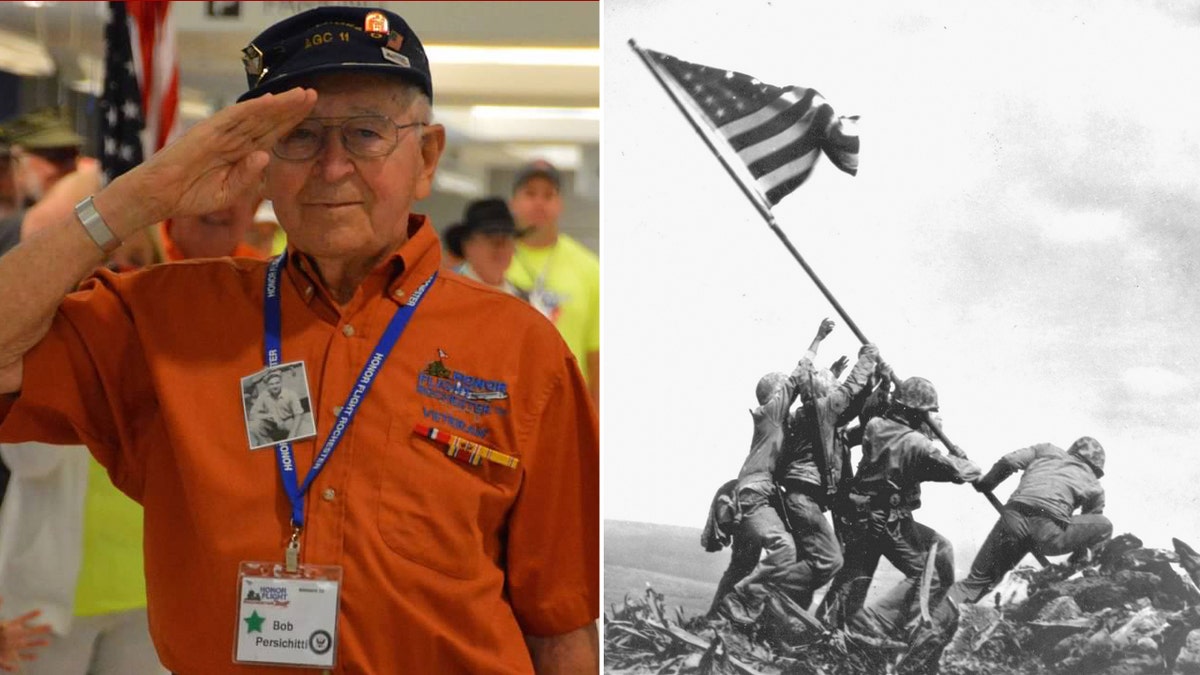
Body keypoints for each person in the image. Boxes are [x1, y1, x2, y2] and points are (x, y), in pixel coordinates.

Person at [0, 6, 598, 674]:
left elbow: (561, 626)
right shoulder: (171, 322)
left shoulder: (522, 349)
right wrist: (139, 197)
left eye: (366, 133)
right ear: (261, 164)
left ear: (426, 156)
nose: (332, 166)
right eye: (300, 137)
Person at [820, 377, 980, 640]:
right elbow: (962, 472)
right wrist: (962, 459)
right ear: (917, 412)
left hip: (860, 514)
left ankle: (830, 623)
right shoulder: (918, 444)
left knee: (857, 572)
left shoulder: (875, 426)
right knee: (932, 574)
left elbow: (890, 438)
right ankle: (876, 623)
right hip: (889, 520)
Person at [711, 319, 837, 624]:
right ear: (775, 396)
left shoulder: (776, 423)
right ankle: (741, 600)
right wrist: (818, 338)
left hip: (755, 493)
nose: (788, 396)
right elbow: (797, 378)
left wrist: (831, 376)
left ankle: (715, 617)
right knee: (784, 549)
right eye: (783, 393)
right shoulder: (770, 413)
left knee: (742, 561)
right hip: (756, 494)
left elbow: (809, 400)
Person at [774, 328, 881, 610]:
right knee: (829, 560)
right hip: (803, 500)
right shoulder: (821, 410)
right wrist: (867, 358)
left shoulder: (819, 422)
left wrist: (876, 388)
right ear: (824, 394)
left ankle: (784, 620)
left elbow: (854, 411)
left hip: (802, 500)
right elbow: (847, 394)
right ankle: (767, 587)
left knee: (809, 563)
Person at [949, 437, 1112, 605]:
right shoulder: (1095, 486)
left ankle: (931, 619)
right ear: (1096, 467)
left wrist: (986, 484)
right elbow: (1089, 525)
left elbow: (1009, 461)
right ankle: (1079, 573)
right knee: (1104, 525)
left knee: (975, 583)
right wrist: (1072, 566)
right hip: (1047, 533)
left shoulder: (1046, 450)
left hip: (1012, 520)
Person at [506, 160, 600, 405]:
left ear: (560, 205)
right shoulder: (492, 262)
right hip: (505, 405)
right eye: (530, 193)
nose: (539, 202)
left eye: (549, 195)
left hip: (566, 408)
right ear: (513, 202)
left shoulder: (589, 268)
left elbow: (597, 355)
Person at [451, 197, 527, 298]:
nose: (500, 247)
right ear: (468, 245)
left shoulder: (523, 300)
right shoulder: (447, 294)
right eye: (490, 238)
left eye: (506, 238)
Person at [160, 190, 264, 261]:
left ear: (255, 207)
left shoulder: (263, 281)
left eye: (237, 190)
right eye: (207, 184)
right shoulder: (146, 258)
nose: (219, 201)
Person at [246, 370, 310, 447]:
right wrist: (270, 415)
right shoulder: (263, 395)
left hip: (288, 421)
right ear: (267, 386)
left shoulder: (290, 394)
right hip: (271, 424)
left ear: (281, 383)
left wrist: (292, 434)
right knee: (253, 426)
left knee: (307, 429)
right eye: (271, 384)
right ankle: (268, 447)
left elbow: (298, 414)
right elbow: (252, 415)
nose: (275, 386)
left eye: (277, 383)